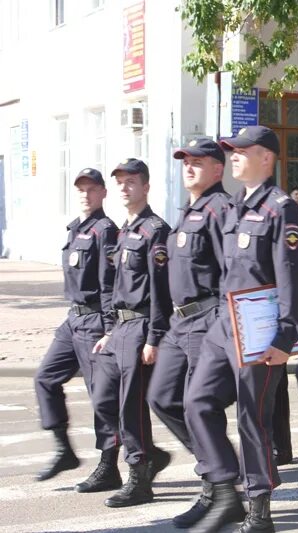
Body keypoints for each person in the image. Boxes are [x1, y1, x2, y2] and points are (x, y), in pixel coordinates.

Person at [183, 125, 298, 532]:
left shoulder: (281, 208)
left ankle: (259, 508)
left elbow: (291, 276)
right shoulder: (234, 206)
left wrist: (285, 338)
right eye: (231, 151)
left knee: (251, 418)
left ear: (267, 159)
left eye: (241, 151)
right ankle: (223, 485)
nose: (233, 156)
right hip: (225, 322)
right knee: (196, 401)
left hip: (260, 329)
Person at [144, 139, 230, 527]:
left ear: (218, 169)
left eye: (199, 162)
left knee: (202, 404)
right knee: (162, 397)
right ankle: (218, 472)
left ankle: (221, 491)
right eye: (186, 162)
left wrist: (224, 326)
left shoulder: (221, 210)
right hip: (180, 322)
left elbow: (232, 272)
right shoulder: (187, 213)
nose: (190, 168)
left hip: (208, 317)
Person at [33, 168, 121, 492]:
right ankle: (64, 449)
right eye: (81, 188)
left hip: (96, 321)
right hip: (73, 320)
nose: (86, 194)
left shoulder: (106, 232)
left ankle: (109, 466)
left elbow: (109, 285)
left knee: (102, 398)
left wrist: (110, 328)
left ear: (103, 193)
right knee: (45, 377)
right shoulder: (75, 229)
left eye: (92, 188)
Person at [97, 158, 173, 507]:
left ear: (145, 187)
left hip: (142, 325)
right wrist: (109, 329)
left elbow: (161, 289)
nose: (125, 188)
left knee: (132, 407)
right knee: (105, 398)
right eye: (121, 182)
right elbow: (115, 286)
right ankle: (149, 454)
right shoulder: (124, 231)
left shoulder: (155, 229)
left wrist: (155, 337)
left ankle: (139, 477)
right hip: (121, 327)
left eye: (131, 182)